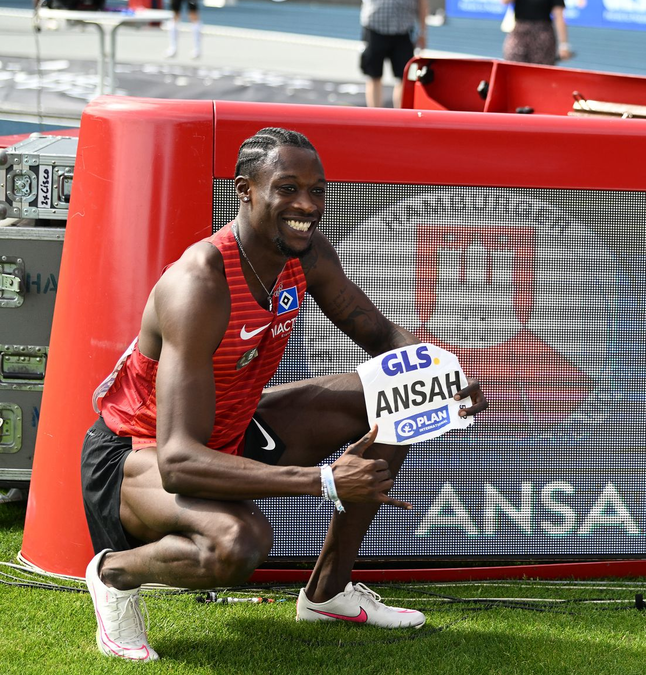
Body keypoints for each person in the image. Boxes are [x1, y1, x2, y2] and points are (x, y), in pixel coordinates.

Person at [80, 127, 488, 662]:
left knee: (410, 389)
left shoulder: (308, 254)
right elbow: (178, 461)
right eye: (287, 188)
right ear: (245, 190)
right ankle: (114, 574)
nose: (306, 205)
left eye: (317, 191)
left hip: (233, 433)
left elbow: (384, 338)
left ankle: (328, 594)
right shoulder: (199, 283)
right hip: (139, 458)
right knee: (241, 544)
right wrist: (323, 479)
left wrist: (444, 374)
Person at [360, 0, 428, 107]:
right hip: (375, 28)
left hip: (402, 31)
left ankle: (400, 118)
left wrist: (423, 32)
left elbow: (422, 2)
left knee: (404, 78)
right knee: (373, 75)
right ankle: (375, 117)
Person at [502, 0, 572, 66]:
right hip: (519, 31)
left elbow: (559, 16)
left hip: (543, 35)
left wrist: (563, 45)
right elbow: (505, 2)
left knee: (540, 71)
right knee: (512, 64)